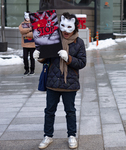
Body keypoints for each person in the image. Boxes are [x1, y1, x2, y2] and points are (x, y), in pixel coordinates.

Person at [33, 12, 86, 149]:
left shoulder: (79, 42)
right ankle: (48, 136)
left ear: (75, 27)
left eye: (69, 27)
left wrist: (68, 57)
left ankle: (72, 136)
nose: (65, 31)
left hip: (70, 83)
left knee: (70, 111)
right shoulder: (52, 39)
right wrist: (39, 56)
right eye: (62, 26)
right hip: (53, 83)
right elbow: (46, 58)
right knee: (49, 111)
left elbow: (81, 63)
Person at [19, 11, 36, 76]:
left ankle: (32, 70)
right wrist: (29, 29)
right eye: (26, 16)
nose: (27, 18)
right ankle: (26, 69)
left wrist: (26, 34)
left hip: (32, 44)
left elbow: (35, 33)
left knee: (32, 58)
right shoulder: (22, 24)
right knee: (25, 57)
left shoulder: (34, 23)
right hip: (25, 44)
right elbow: (21, 31)